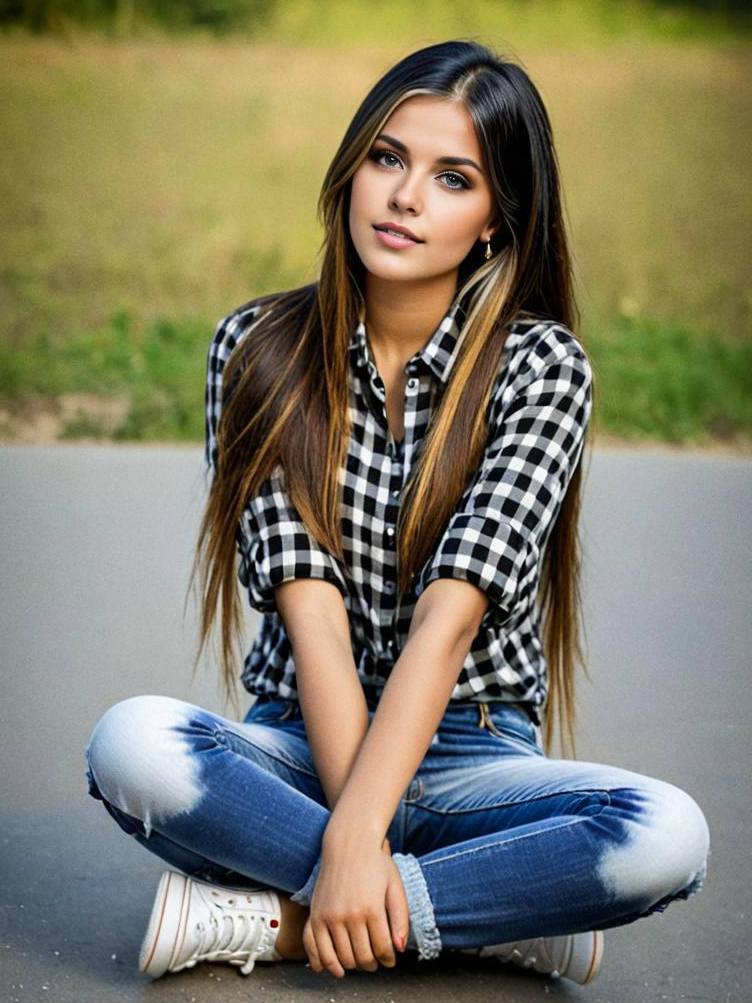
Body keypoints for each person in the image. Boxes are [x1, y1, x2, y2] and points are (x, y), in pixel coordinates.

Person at [84, 39, 710, 987]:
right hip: (299, 738)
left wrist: (356, 851)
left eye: (453, 178)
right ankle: (481, 912)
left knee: (666, 834)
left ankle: (290, 923)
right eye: (387, 157)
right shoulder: (255, 349)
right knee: (132, 742)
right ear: (349, 170)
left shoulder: (543, 369)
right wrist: (353, 835)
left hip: (471, 750)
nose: (405, 196)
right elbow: (312, 620)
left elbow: (449, 619)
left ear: (499, 220)